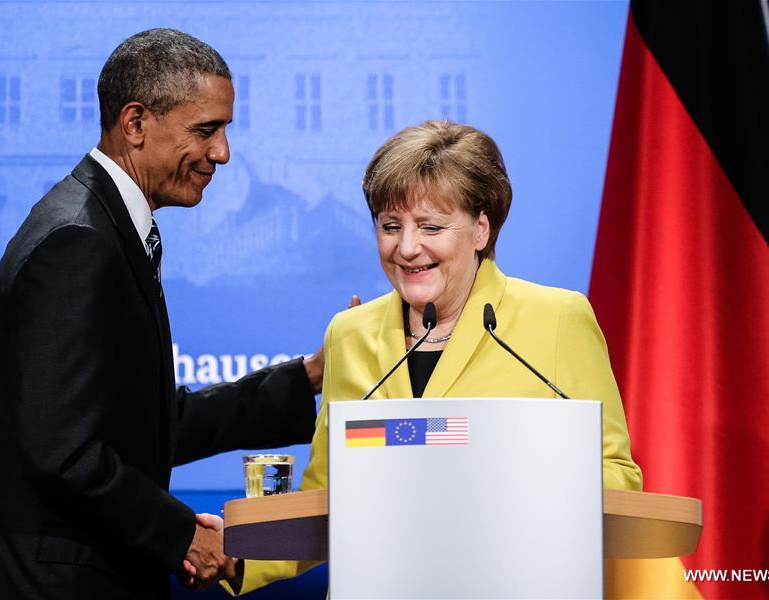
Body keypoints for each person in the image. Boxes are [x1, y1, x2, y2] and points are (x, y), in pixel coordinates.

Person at [0, 29, 323, 600]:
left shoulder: (104, 224)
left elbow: (141, 425)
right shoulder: (79, 240)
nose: (222, 152)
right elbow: (64, 453)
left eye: (225, 129)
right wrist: (184, 536)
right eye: (205, 130)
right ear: (135, 123)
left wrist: (305, 380)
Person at [220, 120, 643, 596]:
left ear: (481, 228)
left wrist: (520, 490)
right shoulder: (350, 334)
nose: (406, 248)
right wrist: (239, 555)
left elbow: (618, 478)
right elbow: (329, 503)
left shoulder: (558, 319)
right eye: (390, 226)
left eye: (431, 227)